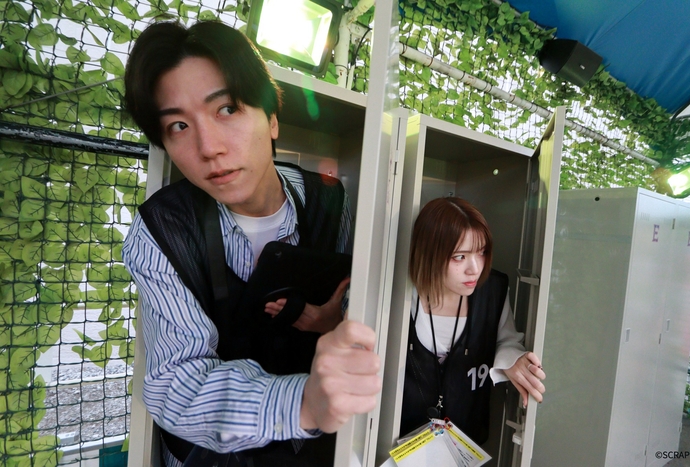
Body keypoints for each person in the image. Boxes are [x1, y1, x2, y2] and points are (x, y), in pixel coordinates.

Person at [121, 20, 381, 467]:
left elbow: (346, 290)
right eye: (179, 125)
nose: (208, 148)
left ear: (272, 118)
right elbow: (178, 383)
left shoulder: (329, 199)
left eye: (226, 109)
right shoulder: (160, 230)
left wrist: (336, 316)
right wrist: (303, 403)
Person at [400, 197, 546, 445]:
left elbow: (505, 340)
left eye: (482, 252)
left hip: (465, 442)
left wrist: (512, 359)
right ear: (428, 253)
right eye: (459, 257)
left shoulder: (492, 290)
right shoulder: (399, 293)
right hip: (396, 441)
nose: (475, 269)